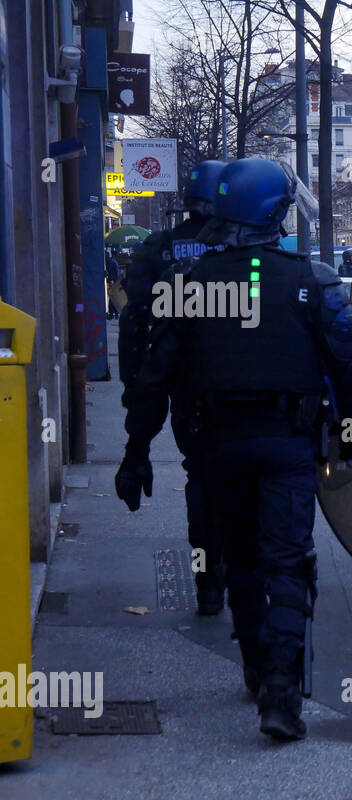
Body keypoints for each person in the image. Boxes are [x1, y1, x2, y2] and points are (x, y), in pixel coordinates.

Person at [116, 158, 352, 740]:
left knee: (240, 557)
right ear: (272, 214)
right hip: (287, 444)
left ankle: (257, 666)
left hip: (218, 444)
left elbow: (157, 375)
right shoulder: (311, 281)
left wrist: (136, 452)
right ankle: (281, 693)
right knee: (287, 559)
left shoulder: (192, 285)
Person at [119, 158, 229, 616]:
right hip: (246, 392)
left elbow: (134, 323)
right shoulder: (247, 252)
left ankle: (207, 582)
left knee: (200, 484)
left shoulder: (160, 249)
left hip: (187, 391)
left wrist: (137, 425)